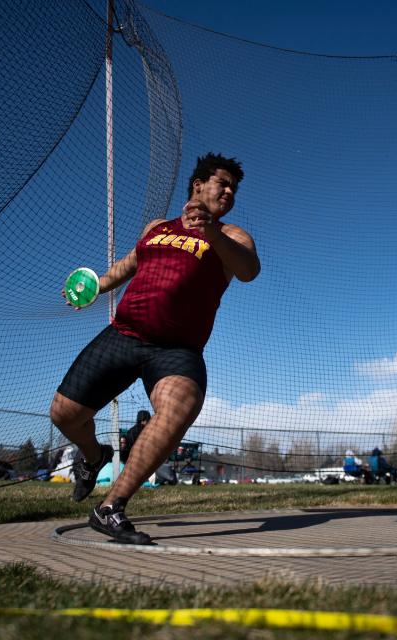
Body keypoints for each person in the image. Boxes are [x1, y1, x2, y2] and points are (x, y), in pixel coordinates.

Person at [50, 153, 259, 545]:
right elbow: (127, 266)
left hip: (177, 350)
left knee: (181, 405)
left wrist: (211, 232)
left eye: (234, 188)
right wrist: (90, 288)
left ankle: (110, 507)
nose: (229, 192)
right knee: (64, 415)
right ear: (198, 185)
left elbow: (249, 271)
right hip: (125, 334)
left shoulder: (233, 236)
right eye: (223, 183)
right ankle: (94, 457)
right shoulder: (157, 227)